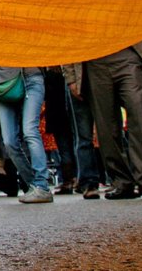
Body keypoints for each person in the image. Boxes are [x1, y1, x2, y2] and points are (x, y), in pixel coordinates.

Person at [83, 38, 142, 200]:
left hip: (127, 53)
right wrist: (72, 77)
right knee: (105, 126)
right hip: (93, 60)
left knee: (139, 115)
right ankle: (121, 181)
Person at [0, 67, 53, 204]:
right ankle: (33, 185)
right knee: (8, 141)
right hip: (4, 81)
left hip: (31, 77)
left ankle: (41, 185)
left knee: (30, 131)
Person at [61, 61, 102, 199]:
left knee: (109, 131)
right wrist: (71, 80)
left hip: (102, 74)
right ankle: (88, 182)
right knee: (83, 136)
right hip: (79, 79)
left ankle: (120, 178)